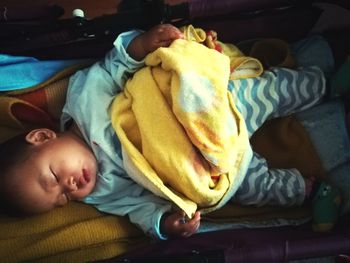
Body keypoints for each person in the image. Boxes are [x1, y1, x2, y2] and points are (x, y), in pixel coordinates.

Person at [0, 24, 342, 239]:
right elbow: (138, 210)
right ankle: (308, 192)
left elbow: (114, 66)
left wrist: (141, 45)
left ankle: (323, 84)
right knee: (249, 189)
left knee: (269, 91)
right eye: (60, 200)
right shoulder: (101, 193)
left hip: (206, 110)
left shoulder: (82, 100)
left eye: (53, 177)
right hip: (207, 164)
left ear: (43, 137)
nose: (69, 189)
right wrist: (164, 223)